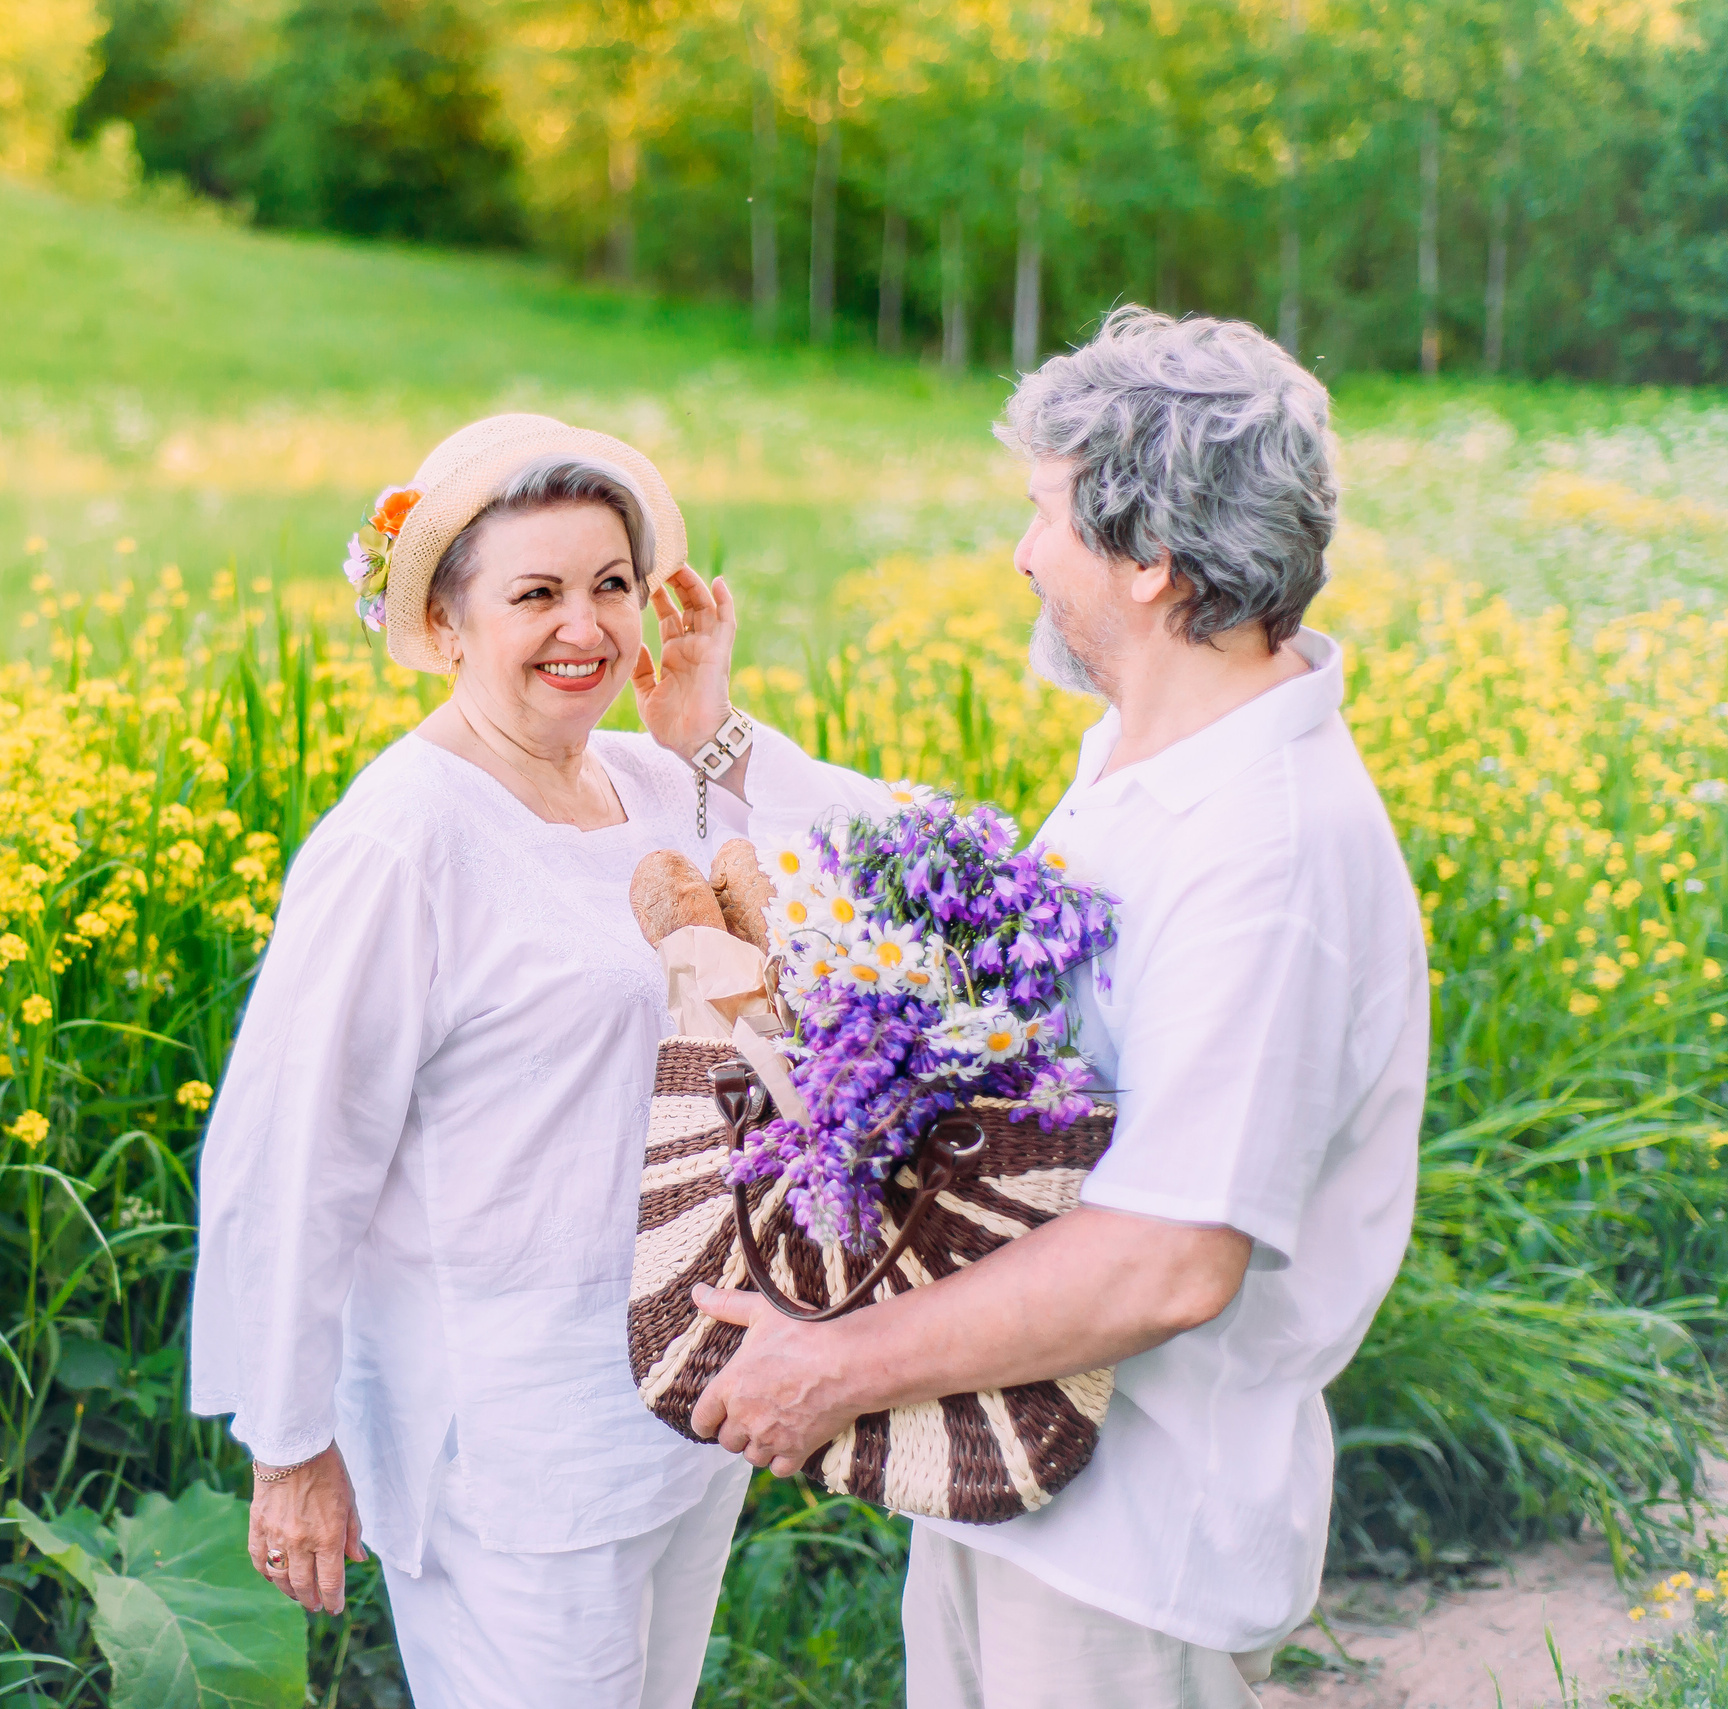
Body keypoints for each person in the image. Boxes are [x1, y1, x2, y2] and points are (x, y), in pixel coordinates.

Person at [687, 307, 1429, 1709]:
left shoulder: (1263, 854)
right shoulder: (1165, 756)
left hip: (1139, 1540)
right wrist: (720, 744)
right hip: (1028, 1478)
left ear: (1150, 559)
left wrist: (832, 1366)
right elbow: (972, 904)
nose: (1024, 553)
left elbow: (1166, 1261)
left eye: (1045, 513)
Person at [190, 413, 871, 1709]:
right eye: (537, 593)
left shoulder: (655, 785)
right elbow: (296, 1154)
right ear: (446, 626)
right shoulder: (403, 840)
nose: (587, 626)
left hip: (686, 1398)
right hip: (514, 1438)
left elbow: (850, 878)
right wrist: (290, 1442)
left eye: (612, 583)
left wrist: (711, 729)